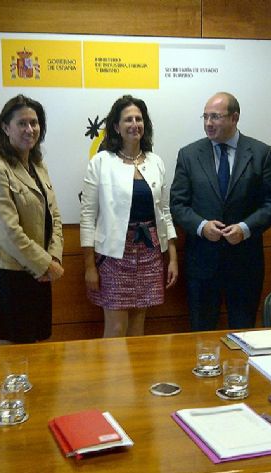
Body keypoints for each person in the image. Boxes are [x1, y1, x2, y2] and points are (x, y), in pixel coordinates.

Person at [170, 92, 271, 331]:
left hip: (245, 263)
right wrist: (202, 227)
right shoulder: (189, 155)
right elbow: (177, 205)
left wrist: (245, 228)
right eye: (205, 117)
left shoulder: (261, 153)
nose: (208, 123)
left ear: (234, 118)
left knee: (243, 332)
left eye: (215, 117)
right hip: (202, 263)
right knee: (201, 334)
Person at [80, 95, 178, 338]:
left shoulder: (155, 162)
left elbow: (165, 213)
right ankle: (113, 368)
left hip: (149, 251)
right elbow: (88, 216)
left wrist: (173, 258)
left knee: (138, 327)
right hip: (113, 255)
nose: (134, 124)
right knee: (116, 328)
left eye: (139, 119)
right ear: (116, 126)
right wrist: (89, 266)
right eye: (128, 119)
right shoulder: (101, 162)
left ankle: (135, 367)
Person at [0, 95, 64, 344]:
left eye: (34, 123)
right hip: (11, 274)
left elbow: (55, 217)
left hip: (41, 272)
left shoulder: (39, 166)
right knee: (13, 354)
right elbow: (8, 231)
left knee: (36, 347)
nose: (30, 129)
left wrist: (54, 258)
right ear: (6, 128)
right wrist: (44, 264)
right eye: (22, 123)